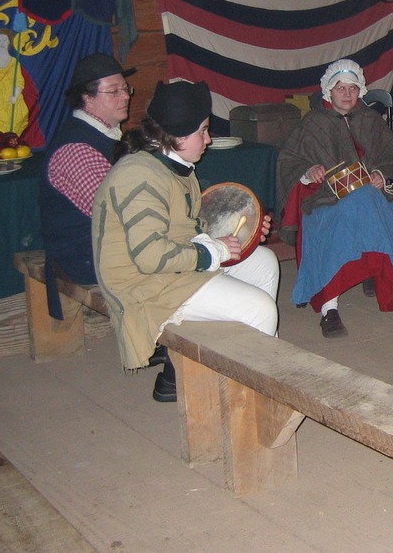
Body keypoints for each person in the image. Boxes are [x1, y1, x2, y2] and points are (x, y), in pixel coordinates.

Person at [92, 79, 280, 402]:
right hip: (145, 287)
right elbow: (149, 256)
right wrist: (211, 253)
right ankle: (250, 400)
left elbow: (188, 226)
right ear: (177, 136)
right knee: (261, 310)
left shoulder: (175, 166)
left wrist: (242, 233)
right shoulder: (138, 176)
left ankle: (233, 367)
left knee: (264, 263)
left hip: (172, 271)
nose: (208, 139)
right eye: (203, 131)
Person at [276, 59, 393, 338]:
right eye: (341, 88)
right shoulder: (313, 124)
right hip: (327, 200)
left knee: (370, 204)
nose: (347, 94)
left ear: (360, 90)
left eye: (352, 88)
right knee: (343, 219)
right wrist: (307, 172)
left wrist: (382, 176)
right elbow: (288, 163)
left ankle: (380, 275)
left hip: (370, 196)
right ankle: (330, 308)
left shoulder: (370, 121)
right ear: (328, 90)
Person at [38, 53, 136, 320]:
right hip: (83, 254)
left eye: (125, 89)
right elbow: (117, 214)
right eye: (113, 91)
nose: (125, 96)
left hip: (103, 244)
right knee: (170, 256)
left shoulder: (107, 136)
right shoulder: (78, 149)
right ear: (87, 98)